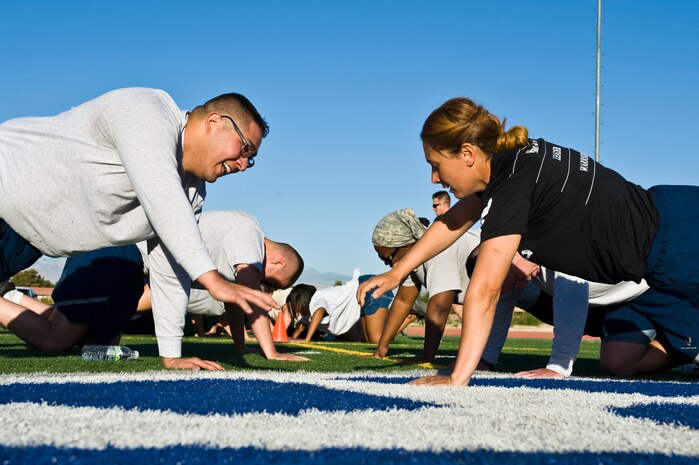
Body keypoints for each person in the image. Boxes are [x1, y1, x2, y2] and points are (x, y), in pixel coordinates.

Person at [358, 96, 699, 386]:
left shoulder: (511, 187)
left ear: (466, 153)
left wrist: (457, 377)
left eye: (436, 165)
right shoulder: (514, 160)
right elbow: (454, 221)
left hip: (677, 244)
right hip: (674, 218)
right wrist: (397, 272)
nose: (435, 178)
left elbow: (486, 289)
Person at [0, 88, 279, 369]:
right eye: (244, 149)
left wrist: (171, 355)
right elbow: (161, 194)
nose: (244, 165)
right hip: (6, 184)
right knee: (57, 338)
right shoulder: (148, 110)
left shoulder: (192, 193)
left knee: (81, 342)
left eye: (251, 158)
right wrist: (214, 281)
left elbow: (171, 269)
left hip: (26, 233)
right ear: (214, 122)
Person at [0, 210, 308, 366]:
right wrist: (272, 354)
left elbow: (235, 303)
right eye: (270, 282)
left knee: (90, 346)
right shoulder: (249, 231)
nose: (263, 286)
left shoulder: (240, 240)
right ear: (279, 263)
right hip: (118, 254)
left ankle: (10, 296)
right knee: (55, 340)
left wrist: (241, 347)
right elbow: (250, 298)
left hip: (129, 268)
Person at [477, 250, 649, 378]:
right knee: (615, 363)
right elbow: (503, 303)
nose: (521, 286)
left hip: (647, 290)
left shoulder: (555, 248)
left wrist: (558, 367)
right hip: (605, 300)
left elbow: (571, 294)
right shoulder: (518, 265)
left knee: (617, 363)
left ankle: (674, 349)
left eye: (515, 280)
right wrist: (485, 359)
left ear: (510, 256)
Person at [371, 208, 480, 363]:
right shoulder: (410, 256)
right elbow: (403, 301)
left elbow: (439, 308)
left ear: (406, 247)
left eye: (387, 258)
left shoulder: (439, 253)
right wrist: (381, 348)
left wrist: (426, 358)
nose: (387, 265)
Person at [289, 271, 394, 343]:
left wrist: (307, 339)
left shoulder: (317, 298)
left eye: (296, 304)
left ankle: (407, 315)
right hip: (360, 298)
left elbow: (319, 311)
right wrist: (292, 339)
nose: (296, 308)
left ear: (303, 299)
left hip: (370, 289)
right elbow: (302, 323)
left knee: (377, 341)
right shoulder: (310, 308)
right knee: (370, 342)